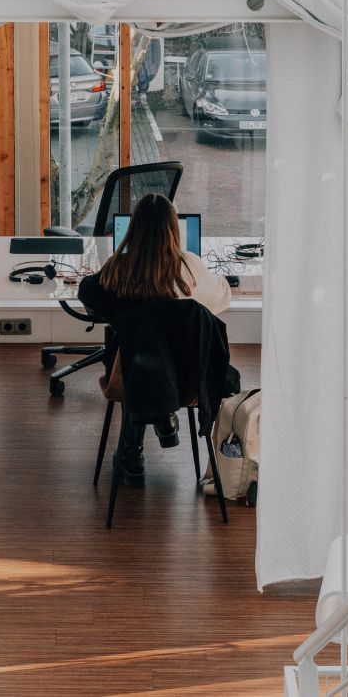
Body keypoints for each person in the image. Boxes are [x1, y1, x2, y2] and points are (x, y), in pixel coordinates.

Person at [77, 193, 234, 486]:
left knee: (136, 359)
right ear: (174, 229)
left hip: (130, 376)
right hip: (187, 378)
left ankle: (132, 457)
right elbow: (223, 295)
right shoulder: (190, 268)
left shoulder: (117, 269)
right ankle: (163, 417)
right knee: (150, 360)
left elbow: (87, 292)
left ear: (134, 227)